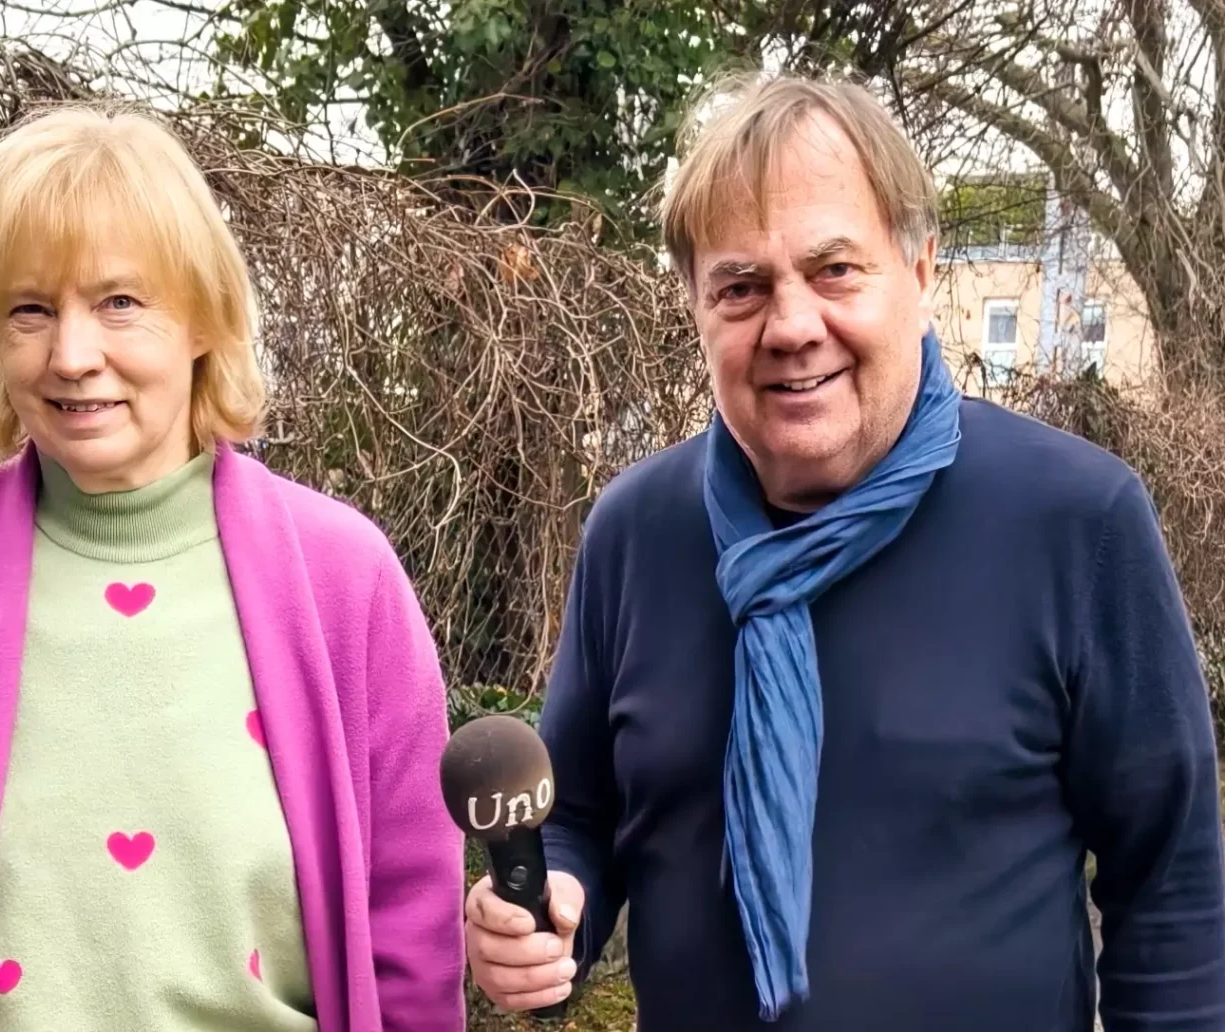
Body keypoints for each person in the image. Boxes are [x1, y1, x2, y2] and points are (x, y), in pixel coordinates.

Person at [464, 70, 1225, 1030]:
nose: (791, 326)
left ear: (921, 271)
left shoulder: (1077, 522)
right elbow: (581, 816)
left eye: (835, 271)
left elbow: (1172, 888)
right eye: (741, 287)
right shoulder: (635, 533)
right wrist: (543, 923)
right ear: (695, 305)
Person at [0, 105, 466, 1032]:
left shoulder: (345, 582)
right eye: (29, 310)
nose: (73, 357)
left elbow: (411, 929)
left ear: (203, 317)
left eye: (119, 302)